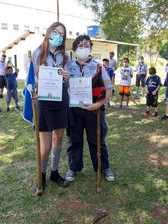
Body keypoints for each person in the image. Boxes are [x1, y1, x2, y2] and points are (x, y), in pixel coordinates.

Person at [66, 35, 114, 182]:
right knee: (74, 140)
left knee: (97, 139)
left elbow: (109, 89)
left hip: (94, 109)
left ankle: (103, 166)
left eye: (86, 45)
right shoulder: (68, 67)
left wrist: (98, 104)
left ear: (91, 48)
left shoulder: (99, 67)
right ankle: (74, 167)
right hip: (74, 110)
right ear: (74, 49)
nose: (83, 48)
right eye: (80, 46)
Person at [31, 22, 71, 191]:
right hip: (45, 101)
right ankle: (42, 174)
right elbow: (35, 78)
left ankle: (54, 172)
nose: (58, 36)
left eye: (61, 34)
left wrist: (67, 77)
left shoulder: (66, 57)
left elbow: (67, 80)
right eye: (55, 32)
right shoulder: (37, 53)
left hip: (61, 100)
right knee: (45, 145)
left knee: (58, 138)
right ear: (48, 33)